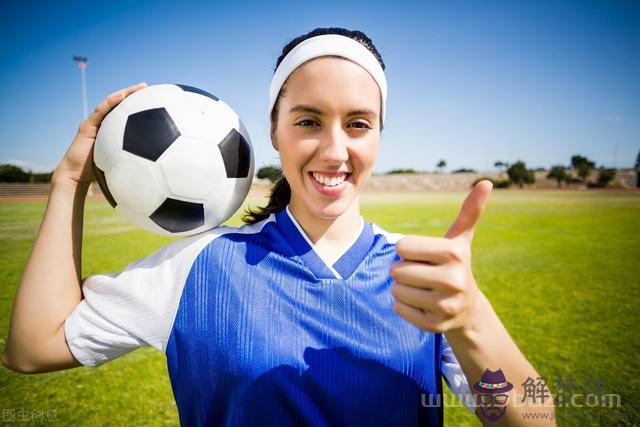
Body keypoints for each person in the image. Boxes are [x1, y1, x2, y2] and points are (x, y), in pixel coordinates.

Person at [2, 27, 555, 426]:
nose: (334, 150)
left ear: (380, 134)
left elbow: (533, 417)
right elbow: (32, 348)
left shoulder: (419, 276)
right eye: (309, 121)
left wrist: (471, 318)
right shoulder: (197, 266)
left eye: (358, 123)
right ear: (273, 131)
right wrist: (70, 181)